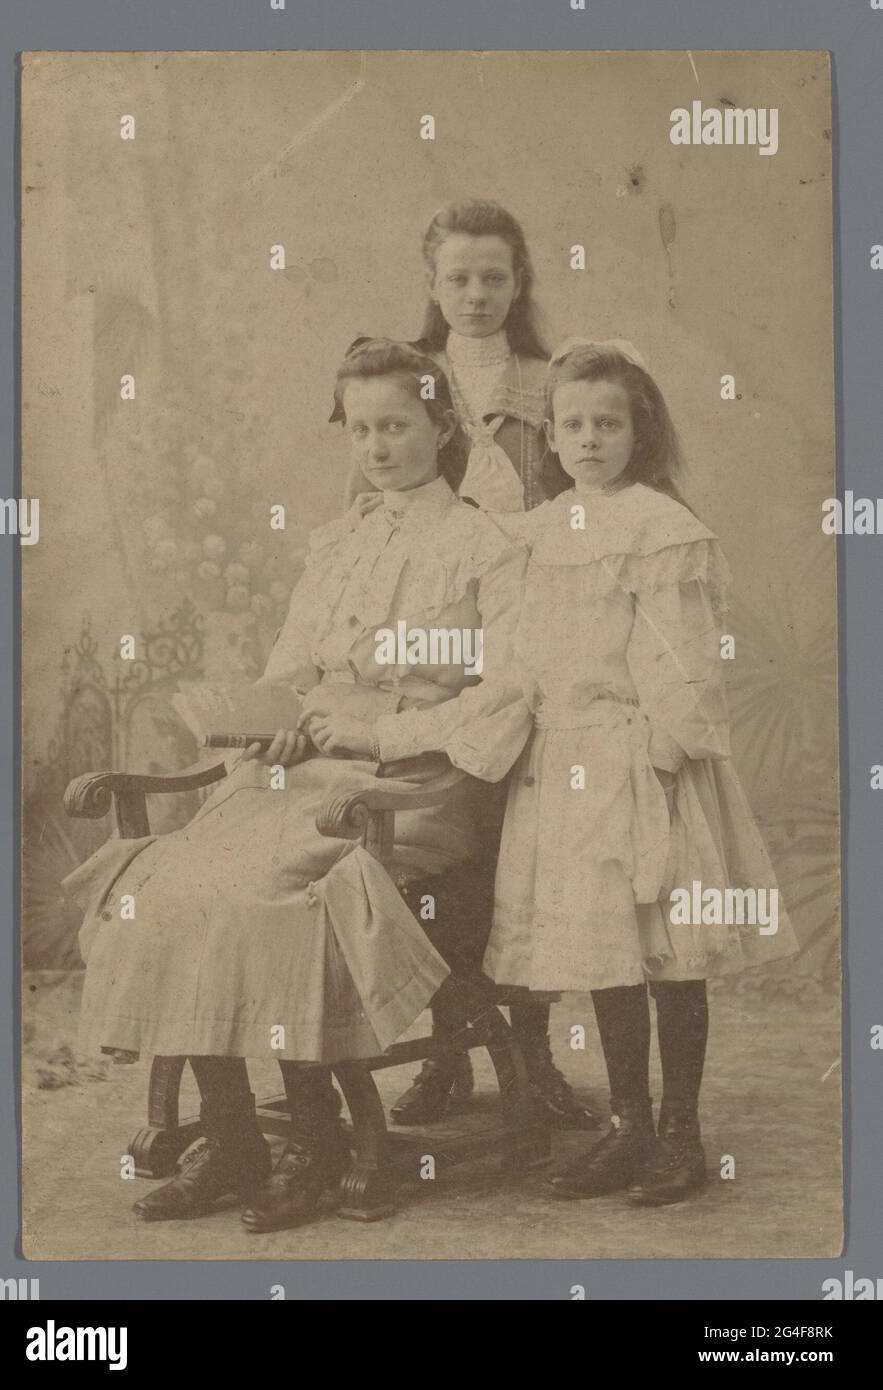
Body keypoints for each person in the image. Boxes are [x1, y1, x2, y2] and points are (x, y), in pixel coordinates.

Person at [63, 340, 533, 1232]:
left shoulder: (488, 548)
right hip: (300, 772)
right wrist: (274, 717)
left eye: (394, 425)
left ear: (441, 426)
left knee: (271, 897)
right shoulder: (339, 543)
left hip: (412, 788)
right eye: (359, 430)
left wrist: (376, 730)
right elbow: (290, 670)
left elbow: (503, 704)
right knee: (164, 883)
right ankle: (238, 1140)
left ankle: (318, 1143)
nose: (376, 447)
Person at [483, 339, 800, 1205]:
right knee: (604, 954)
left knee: (666, 954)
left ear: (639, 431)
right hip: (565, 765)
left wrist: (659, 760)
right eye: (573, 424)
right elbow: (519, 658)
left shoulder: (662, 531)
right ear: (549, 436)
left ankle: (680, 1133)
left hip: (644, 764)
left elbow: (685, 661)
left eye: (608, 423)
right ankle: (629, 1125)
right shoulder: (538, 535)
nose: (588, 439)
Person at [344, 199, 593, 1129]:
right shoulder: (400, 383)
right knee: (433, 865)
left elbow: (589, 502)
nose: (477, 294)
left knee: (523, 865)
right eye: (459, 278)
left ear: (519, 281)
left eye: (495, 276)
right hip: (432, 659)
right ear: (432, 284)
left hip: (537, 641)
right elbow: (367, 522)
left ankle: (530, 1059)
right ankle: (450, 1053)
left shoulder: (550, 382)